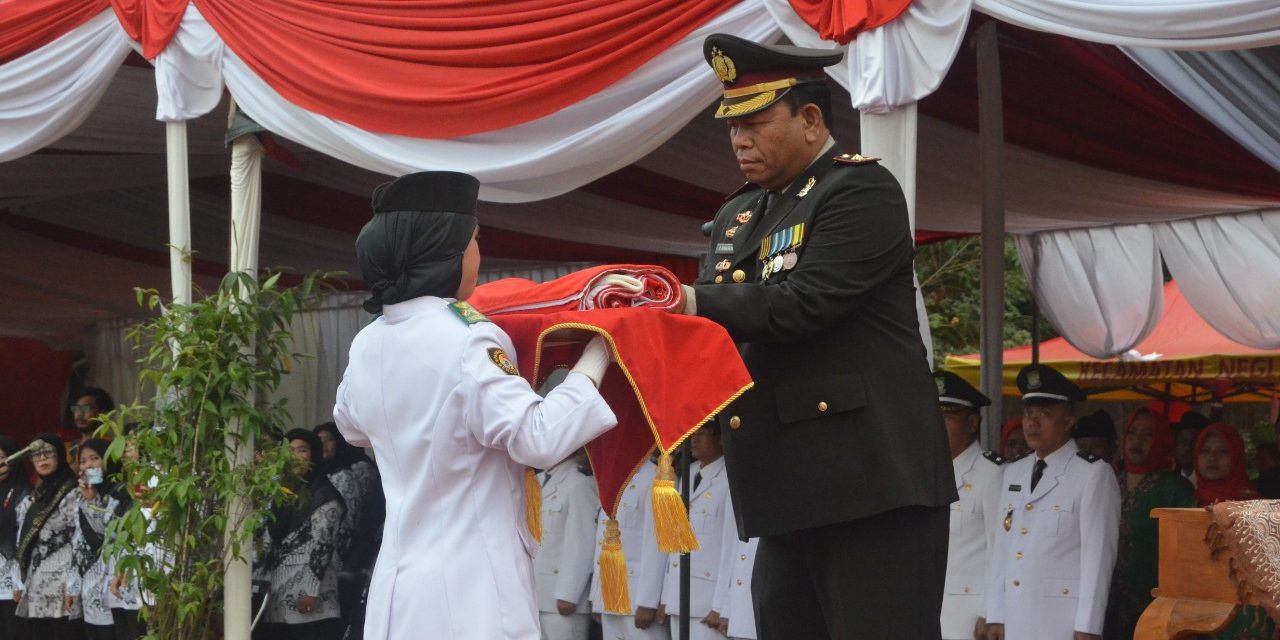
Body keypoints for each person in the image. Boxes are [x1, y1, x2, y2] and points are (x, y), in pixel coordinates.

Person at [676, 34, 955, 639]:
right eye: (732, 127)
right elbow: (716, 332)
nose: (740, 141)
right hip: (785, 487)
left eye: (755, 123)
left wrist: (688, 300)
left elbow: (804, 304)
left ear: (809, 119)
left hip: (869, 483)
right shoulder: (739, 214)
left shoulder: (859, 190)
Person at [332, 171, 619, 640]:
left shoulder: (367, 343)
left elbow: (350, 427)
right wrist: (604, 347)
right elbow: (539, 437)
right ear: (446, 250)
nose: (477, 254)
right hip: (472, 592)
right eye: (473, 240)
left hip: (398, 589)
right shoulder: (468, 337)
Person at [985, 365, 1119, 640]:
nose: (1033, 422)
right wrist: (996, 613)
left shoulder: (1092, 474)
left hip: (1060, 620)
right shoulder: (1014, 471)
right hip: (1015, 616)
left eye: (1045, 414)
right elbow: (1003, 547)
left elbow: (1098, 556)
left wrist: (1089, 625)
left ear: (1068, 421)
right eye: (1028, 413)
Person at [1102, 408, 1194, 640]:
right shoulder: (1110, 482)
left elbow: (1187, 552)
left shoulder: (1175, 489)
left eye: (1147, 435)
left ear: (1161, 440)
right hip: (1105, 604)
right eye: (1132, 433)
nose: (1137, 441)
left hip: (1153, 604)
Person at [254, 429, 347, 640]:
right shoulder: (283, 493)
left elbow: (322, 545)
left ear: (313, 454)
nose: (295, 456)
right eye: (290, 451)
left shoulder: (324, 496)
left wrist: (310, 591)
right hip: (279, 594)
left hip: (311, 600)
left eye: (302, 450)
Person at [934, 372, 1002, 640]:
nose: (936, 427)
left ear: (972, 423)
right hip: (932, 611)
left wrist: (991, 611)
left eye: (947, 419)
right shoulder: (930, 474)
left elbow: (1001, 549)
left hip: (970, 617)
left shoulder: (992, 474)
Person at [659, 425, 731, 640]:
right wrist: (666, 597)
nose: (694, 440)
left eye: (702, 434)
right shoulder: (688, 475)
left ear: (720, 438)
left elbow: (730, 547)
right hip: (679, 597)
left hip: (707, 603)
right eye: (692, 435)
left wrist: (721, 605)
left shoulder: (730, 479)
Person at [588, 456, 667, 640]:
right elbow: (602, 541)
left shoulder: (656, 477)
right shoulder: (612, 477)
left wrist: (648, 601)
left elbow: (657, 544)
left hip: (636, 596)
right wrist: (598, 599)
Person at [15, 433, 81, 639]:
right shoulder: (36, 496)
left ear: (60, 455)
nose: (42, 459)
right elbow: (23, 539)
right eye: (36, 455)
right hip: (36, 585)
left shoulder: (73, 492)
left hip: (63, 585)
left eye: (48, 453)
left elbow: (79, 540)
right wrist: (19, 580)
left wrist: (73, 583)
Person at [66, 438, 130, 640]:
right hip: (88, 591)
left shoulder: (120, 494)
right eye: (83, 461)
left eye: (95, 458)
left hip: (113, 588)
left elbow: (107, 539)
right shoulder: (81, 497)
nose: (88, 465)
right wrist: (72, 586)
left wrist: (92, 500)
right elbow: (77, 545)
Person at [533, 449, 598, 640]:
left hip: (560, 599)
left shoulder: (580, 482)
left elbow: (582, 541)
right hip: (536, 595)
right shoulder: (536, 481)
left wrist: (569, 594)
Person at [0, 435, 31, 640]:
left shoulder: (24, 495)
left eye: (2, 458)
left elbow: (25, 541)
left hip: (12, 583)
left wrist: (19, 581)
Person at [1193, 423, 1258, 507]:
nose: (1212, 458)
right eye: (1205, 451)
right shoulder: (1187, 500)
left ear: (1236, 458)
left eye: (1222, 451)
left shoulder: (1253, 505)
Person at [1173, 411, 1209, 487]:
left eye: (1194, 442)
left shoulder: (1211, 483)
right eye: (1183, 441)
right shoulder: (1169, 482)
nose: (1188, 447)